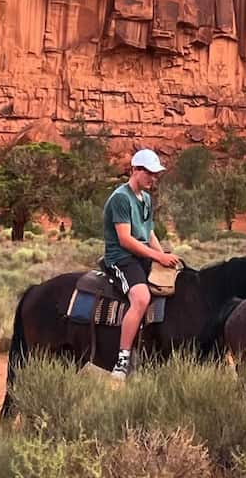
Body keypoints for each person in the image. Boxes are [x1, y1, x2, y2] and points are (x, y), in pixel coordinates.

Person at [102, 147, 179, 380]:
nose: (153, 178)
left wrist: (163, 257)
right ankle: (123, 359)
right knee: (142, 298)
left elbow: (149, 233)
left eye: (155, 174)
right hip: (121, 258)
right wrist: (158, 257)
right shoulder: (120, 198)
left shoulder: (145, 198)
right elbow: (125, 240)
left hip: (142, 256)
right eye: (149, 173)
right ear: (135, 170)